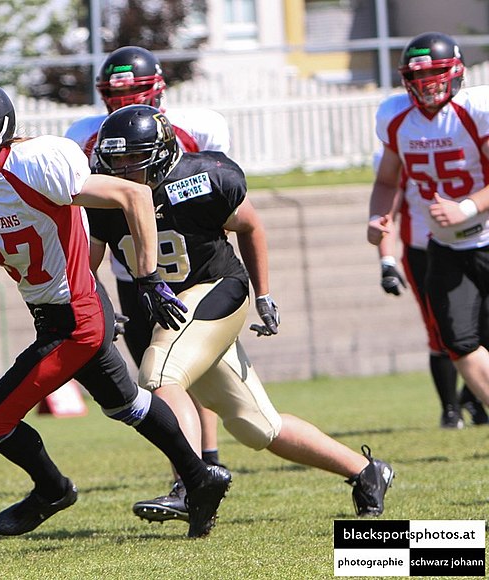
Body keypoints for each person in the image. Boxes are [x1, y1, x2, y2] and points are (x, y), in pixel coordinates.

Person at [0, 77, 229, 539]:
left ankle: (52, 489)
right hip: (50, 311)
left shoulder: (38, 162)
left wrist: (148, 278)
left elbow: (134, 195)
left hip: (76, 317)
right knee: (130, 406)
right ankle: (201, 480)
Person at [87, 104, 394, 524]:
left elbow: (250, 226)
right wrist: (100, 304)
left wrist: (264, 294)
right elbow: (88, 262)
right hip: (174, 305)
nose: (121, 169)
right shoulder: (103, 200)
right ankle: (366, 472)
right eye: (114, 159)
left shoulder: (201, 180)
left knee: (159, 373)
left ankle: (190, 484)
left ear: (159, 154)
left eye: (132, 158)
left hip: (218, 290)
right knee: (257, 427)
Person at [65, 45, 230, 470]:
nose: (123, 103)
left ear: (156, 90)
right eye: (115, 95)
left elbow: (223, 207)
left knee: (186, 374)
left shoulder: (199, 127)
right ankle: (192, 467)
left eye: (133, 92)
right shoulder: (83, 136)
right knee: (156, 375)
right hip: (129, 271)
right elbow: (87, 226)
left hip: (193, 271)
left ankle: (202, 461)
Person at [367, 31, 489, 411]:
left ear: (455, 72)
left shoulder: (475, 111)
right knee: (459, 343)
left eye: (434, 73)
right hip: (445, 247)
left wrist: (466, 207)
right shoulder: (396, 116)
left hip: (486, 235)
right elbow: (387, 180)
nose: (426, 84)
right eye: (418, 77)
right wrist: (378, 215)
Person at [375, 152, 488, 428]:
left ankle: (471, 396)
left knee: (483, 329)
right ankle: (450, 410)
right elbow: (387, 202)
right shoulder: (399, 143)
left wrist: (466, 209)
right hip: (426, 251)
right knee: (443, 332)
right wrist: (386, 260)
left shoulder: (473, 125)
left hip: (479, 241)